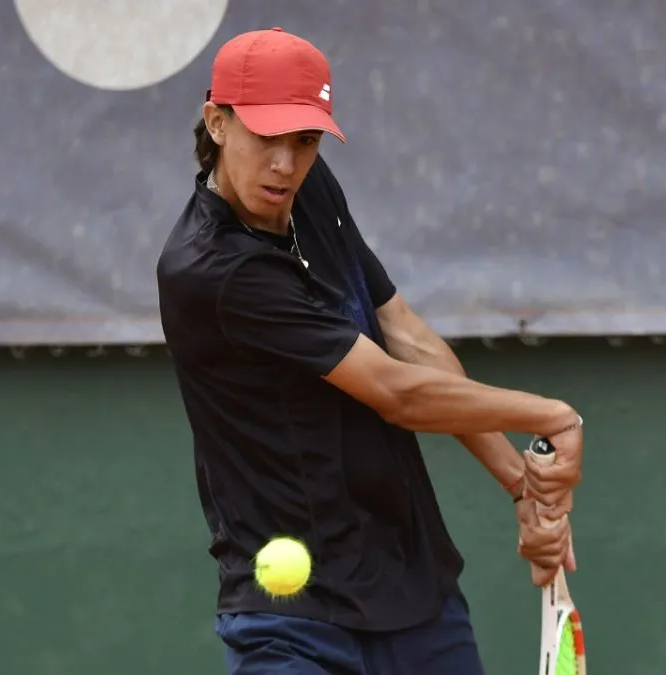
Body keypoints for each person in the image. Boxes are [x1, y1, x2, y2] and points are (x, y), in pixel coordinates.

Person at [155, 27, 584, 675]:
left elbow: (404, 333)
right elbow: (394, 390)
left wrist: (518, 482)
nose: (285, 164)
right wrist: (553, 416)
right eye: (267, 137)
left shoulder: (307, 189)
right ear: (217, 121)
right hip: (292, 618)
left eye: (305, 141)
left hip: (415, 590)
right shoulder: (212, 271)